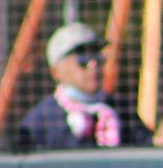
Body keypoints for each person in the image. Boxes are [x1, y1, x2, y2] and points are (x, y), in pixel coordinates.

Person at [15, 22, 153, 151]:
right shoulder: (41, 121)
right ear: (56, 71)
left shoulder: (123, 111)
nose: (93, 65)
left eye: (98, 58)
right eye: (83, 59)